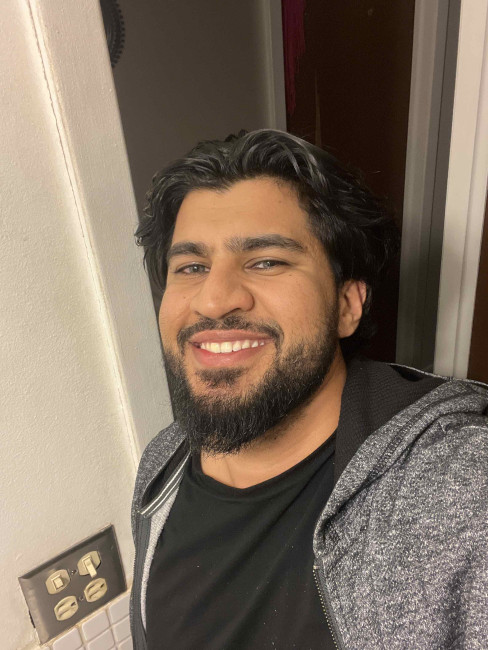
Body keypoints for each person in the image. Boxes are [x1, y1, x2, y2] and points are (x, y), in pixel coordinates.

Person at [130, 129, 488, 649]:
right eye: (192, 267)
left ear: (347, 306)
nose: (213, 299)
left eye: (266, 261)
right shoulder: (161, 465)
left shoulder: (458, 489)